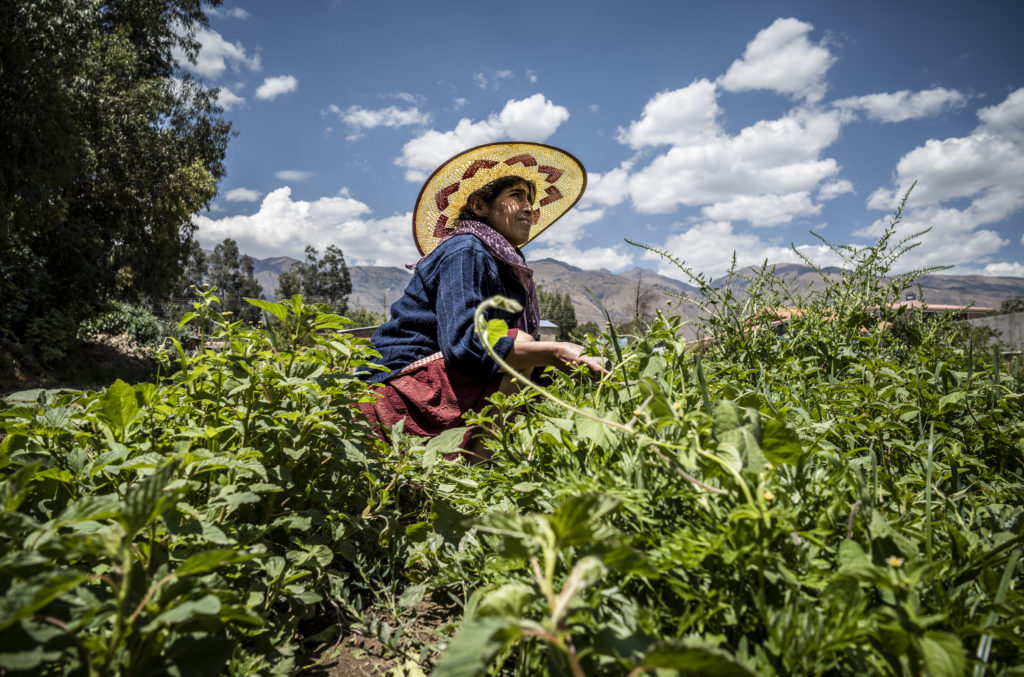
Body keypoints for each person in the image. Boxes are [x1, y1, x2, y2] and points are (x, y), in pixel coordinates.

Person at [358, 141, 603, 461]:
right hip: (399, 387)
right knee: (522, 343)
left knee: (538, 367)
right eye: (516, 196)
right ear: (479, 206)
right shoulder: (465, 250)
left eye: (530, 199)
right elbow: (465, 346)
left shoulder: (503, 266)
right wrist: (556, 351)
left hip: (438, 381)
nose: (529, 207)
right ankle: (469, 481)